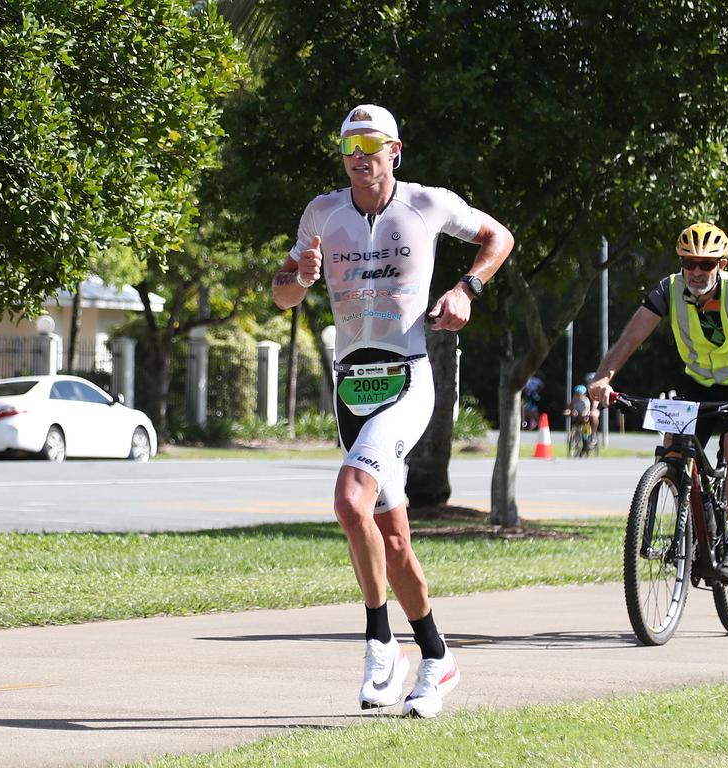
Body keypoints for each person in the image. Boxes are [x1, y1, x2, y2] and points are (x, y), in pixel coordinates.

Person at [272, 104, 513, 717]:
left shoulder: (427, 205)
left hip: (407, 379)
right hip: (352, 385)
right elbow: (281, 296)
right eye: (349, 143)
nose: (359, 154)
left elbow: (498, 237)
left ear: (395, 150)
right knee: (394, 541)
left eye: (371, 143)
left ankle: (380, 641)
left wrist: (467, 289)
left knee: (350, 497)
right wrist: (299, 277)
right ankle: (436, 656)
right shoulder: (322, 212)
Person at [588, 222, 728, 580]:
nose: (696, 271)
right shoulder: (667, 290)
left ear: (721, 265)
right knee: (672, 450)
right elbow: (630, 339)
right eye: (688, 262)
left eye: (706, 264)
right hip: (696, 383)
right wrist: (604, 377)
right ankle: (690, 530)